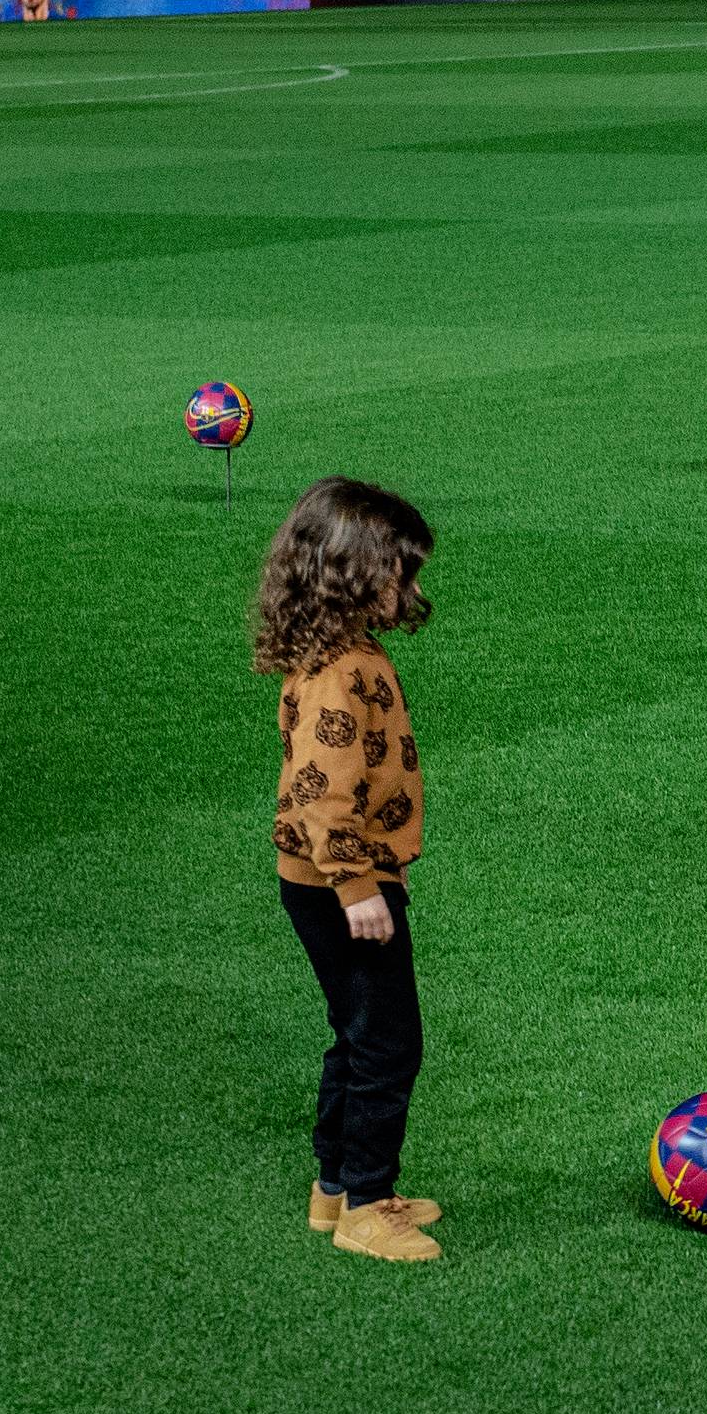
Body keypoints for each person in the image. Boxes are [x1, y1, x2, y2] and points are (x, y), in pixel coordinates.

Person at [254, 476, 445, 1263]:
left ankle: (333, 1188)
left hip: (333, 881)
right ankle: (368, 1206)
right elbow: (320, 791)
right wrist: (357, 887)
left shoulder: (345, 652)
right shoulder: (338, 671)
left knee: (357, 1033)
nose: (412, 588)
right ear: (357, 570)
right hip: (344, 885)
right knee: (389, 1044)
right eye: (403, 571)